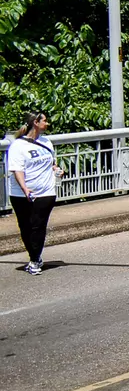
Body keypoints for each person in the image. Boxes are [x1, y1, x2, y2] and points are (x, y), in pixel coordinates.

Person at [7, 110, 61, 274]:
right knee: (26, 227)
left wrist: (56, 169)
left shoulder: (46, 142)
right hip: (22, 194)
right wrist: (25, 188)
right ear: (36, 123)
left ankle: (35, 260)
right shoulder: (18, 146)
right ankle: (34, 255)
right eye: (44, 121)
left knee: (38, 225)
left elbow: (51, 162)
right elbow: (17, 170)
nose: (47, 123)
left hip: (46, 191)